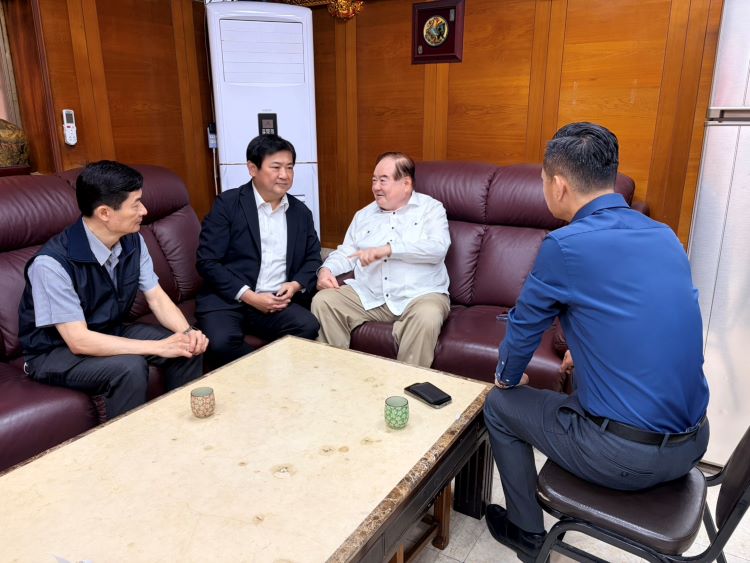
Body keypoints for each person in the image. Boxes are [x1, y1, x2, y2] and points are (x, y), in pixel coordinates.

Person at [483, 122, 710, 562]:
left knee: (499, 405)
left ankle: (526, 534)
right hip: (693, 443)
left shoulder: (565, 245)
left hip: (626, 458)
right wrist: (583, 354)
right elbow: (643, 323)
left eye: (543, 181)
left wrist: (507, 378)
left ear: (559, 185)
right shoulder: (664, 235)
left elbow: (524, 329)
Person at [18, 161, 208, 420]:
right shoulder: (50, 264)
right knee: (129, 368)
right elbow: (78, 341)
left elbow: (156, 297)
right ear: (105, 213)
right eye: (136, 204)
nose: (144, 210)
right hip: (54, 352)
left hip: (109, 329)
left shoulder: (133, 240)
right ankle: (131, 443)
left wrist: (187, 333)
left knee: (185, 348)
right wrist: (158, 347)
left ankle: (181, 430)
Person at [312, 152, 450, 368]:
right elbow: (346, 252)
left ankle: (407, 386)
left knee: (428, 316)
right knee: (325, 301)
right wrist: (326, 270)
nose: (376, 187)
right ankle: (334, 378)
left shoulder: (431, 209)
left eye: (383, 180)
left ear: (406, 184)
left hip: (420, 295)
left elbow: (438, 248)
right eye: (374, 180)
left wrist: (389, 249)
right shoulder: (364, 215)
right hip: (371, 295)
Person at [196, 134, 321, 368]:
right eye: (276, 167)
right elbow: (207, 261)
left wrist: (295, 285)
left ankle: (271, 376)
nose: (284, 175)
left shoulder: (300, 213)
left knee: (307, 326)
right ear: (252, 168)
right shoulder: (228, 204)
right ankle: (266, 376)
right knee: (222, 343)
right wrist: (249, 296)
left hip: (274, 302)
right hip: (229, 299)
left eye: (289, 167)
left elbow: (313, 258)